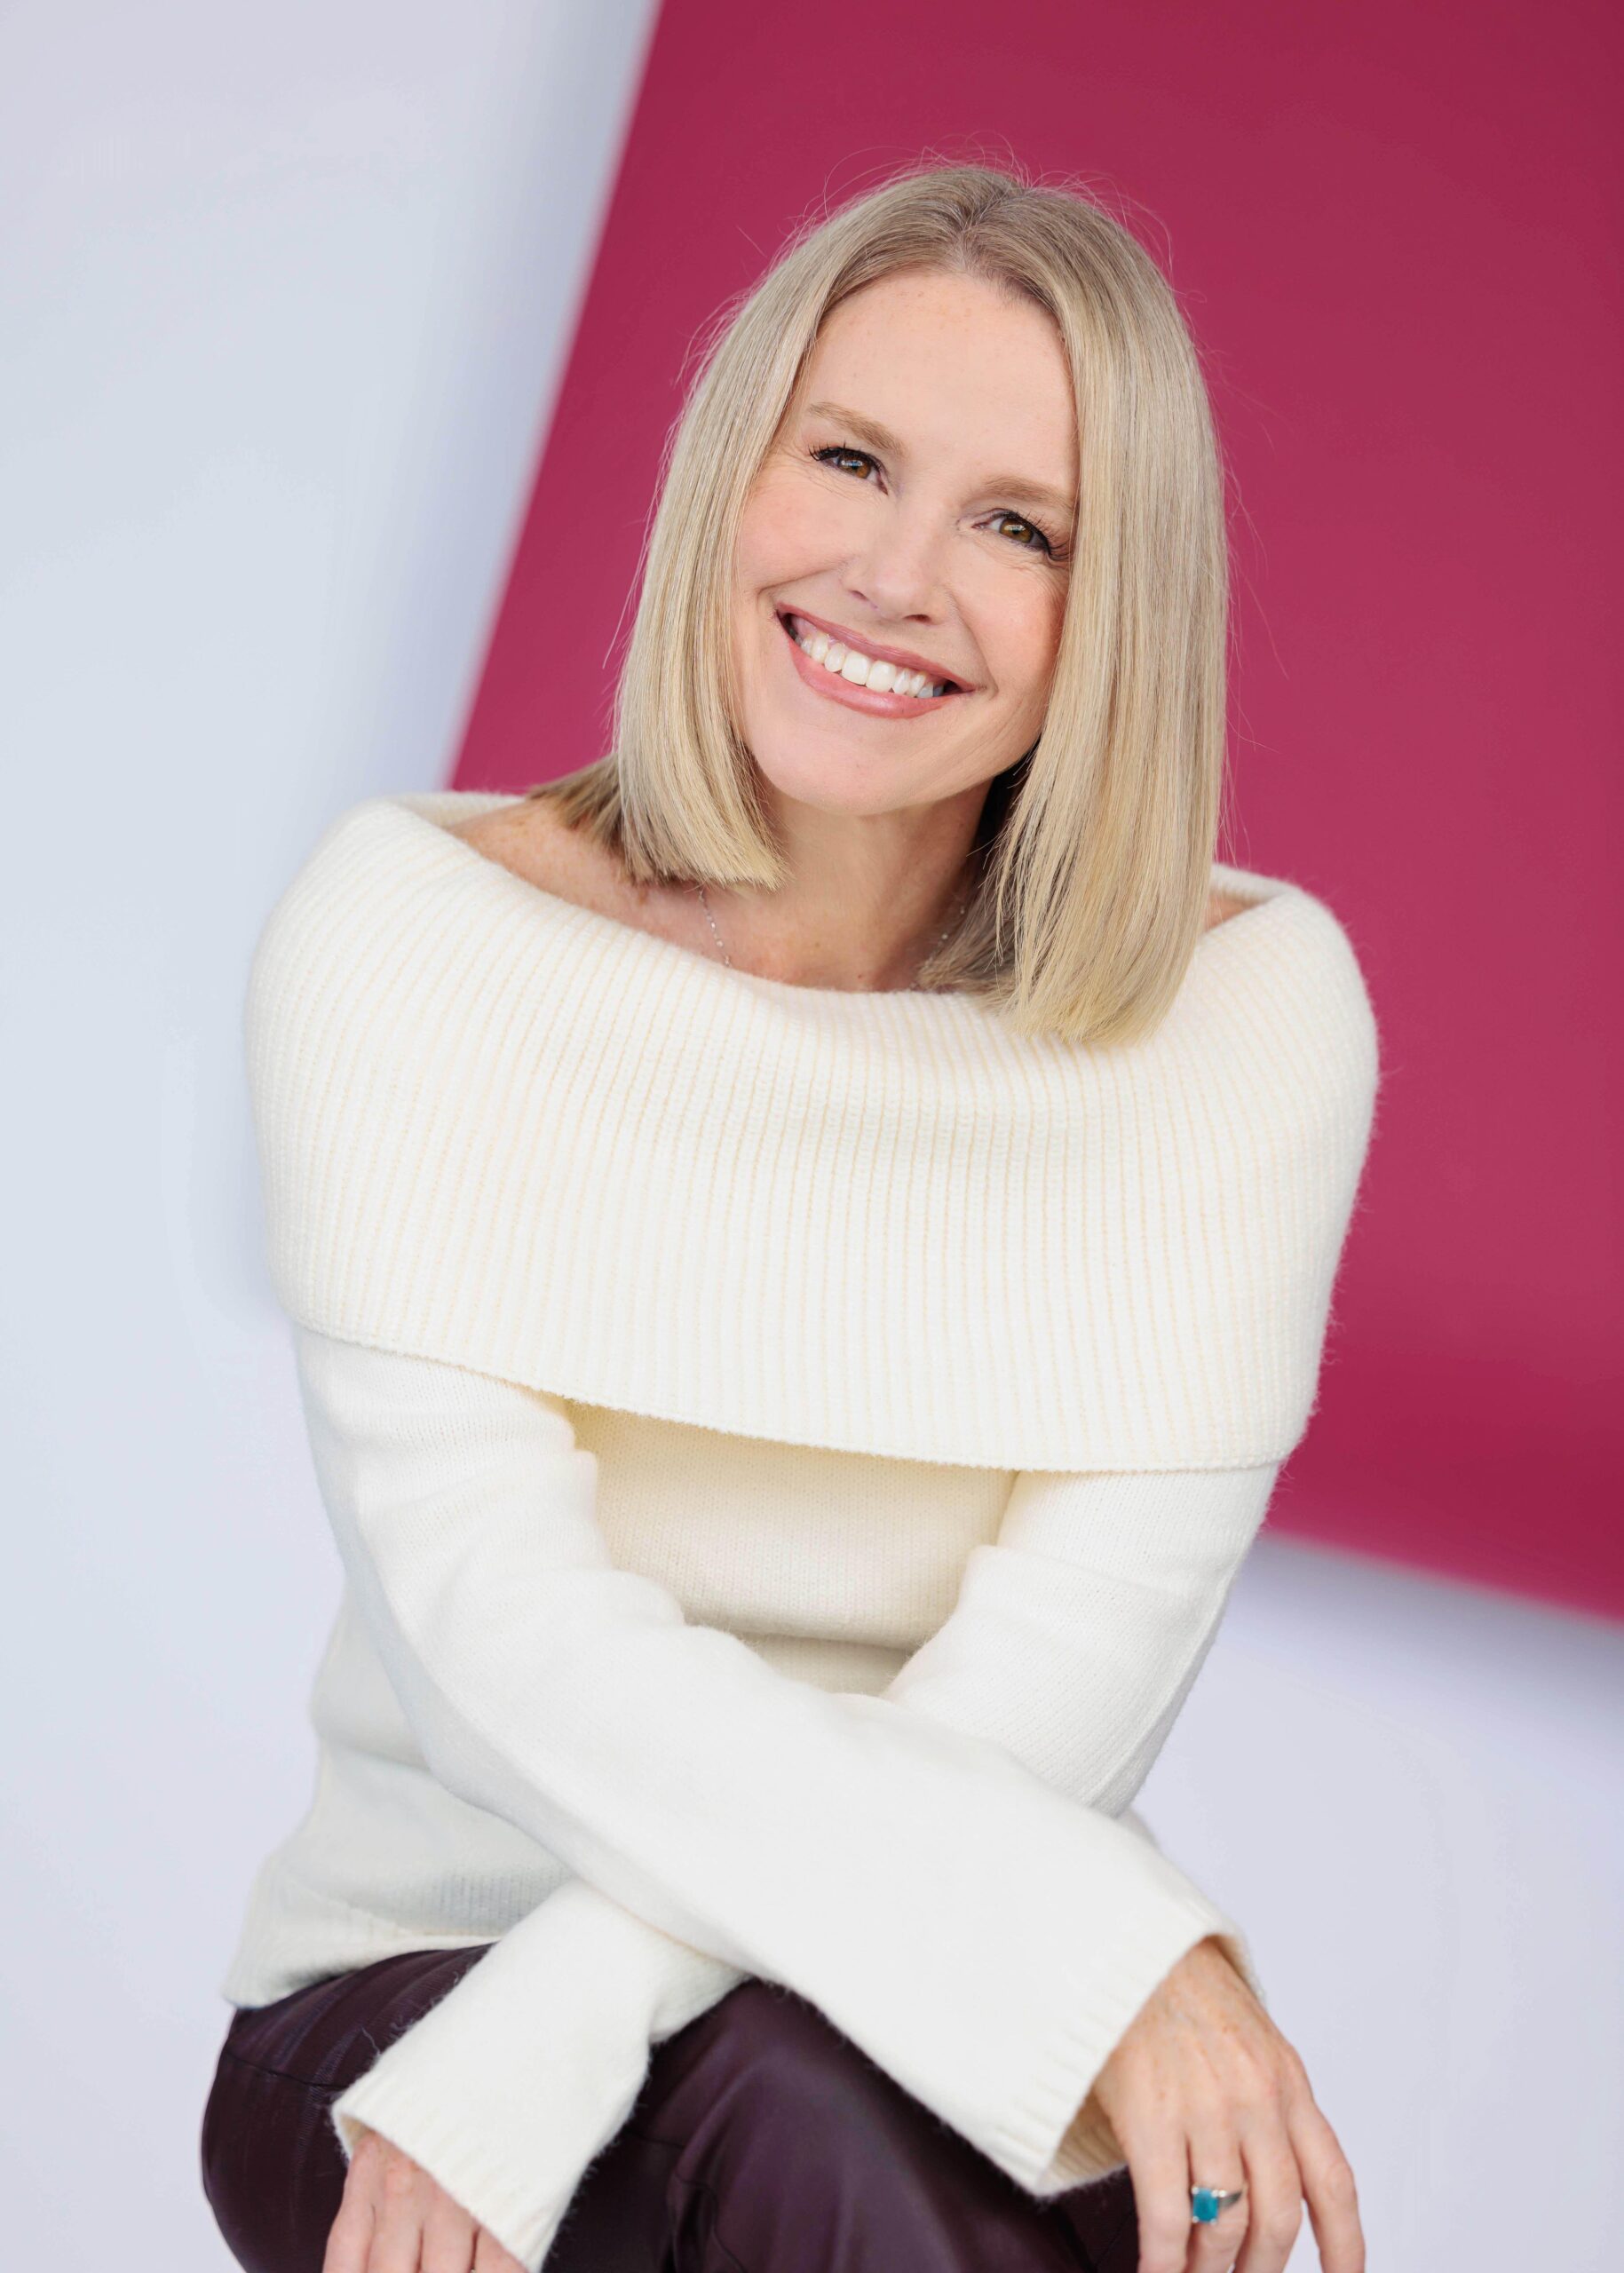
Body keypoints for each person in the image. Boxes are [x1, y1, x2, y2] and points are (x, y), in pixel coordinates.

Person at [200, 160, 1379, 2273]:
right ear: (732, 474)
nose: (898, 575)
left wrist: (566, 2026)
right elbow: (505, 1652)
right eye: (849, 459)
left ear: (1117, 614)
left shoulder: (1245, 1019)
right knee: (819, 2113)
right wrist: (1109, 1948)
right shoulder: (414, 937)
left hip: (889, 2024)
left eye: (1020, 527)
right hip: (415, 1998)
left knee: (854, 2108)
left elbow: (1069, 1674)